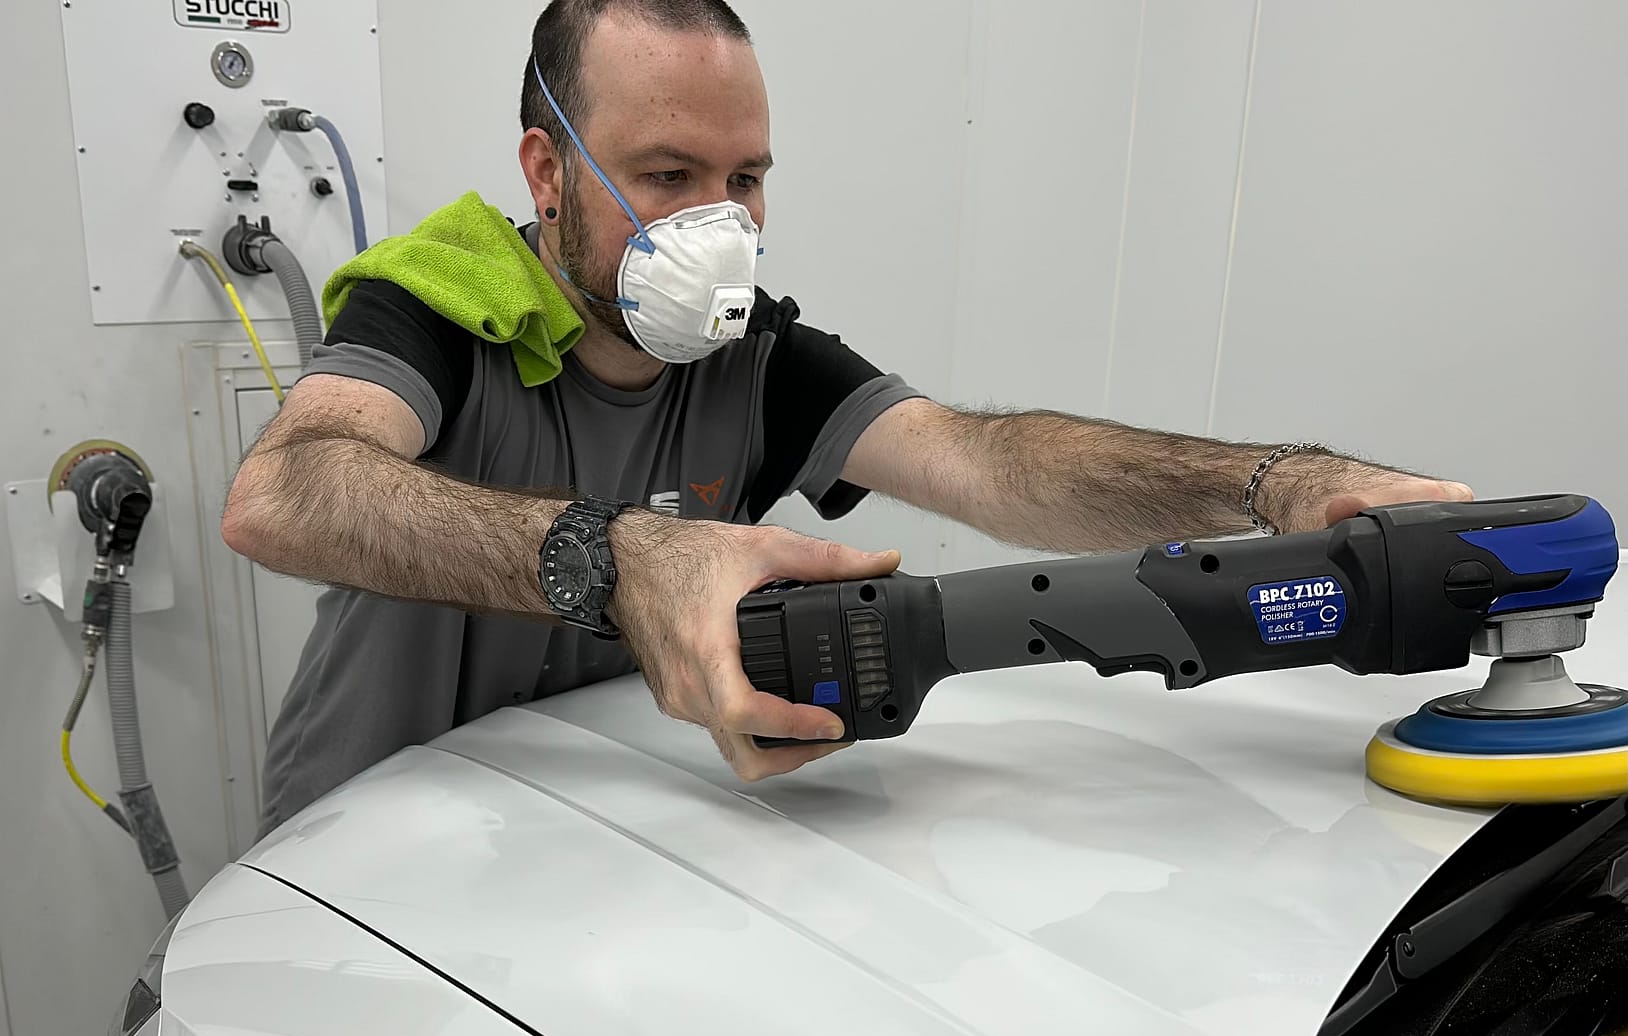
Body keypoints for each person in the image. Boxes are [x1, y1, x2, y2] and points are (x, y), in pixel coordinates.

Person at [223, 0, 1471, 834]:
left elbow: (983, 463)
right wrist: (622, 559)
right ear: (548, 174)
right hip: (362, 844)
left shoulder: (748, 358)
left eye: (744, 179)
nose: (719, 225)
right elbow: (281, 494)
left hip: (587, 828)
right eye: (666, 175)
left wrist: (1268, 482)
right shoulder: (438, 308)